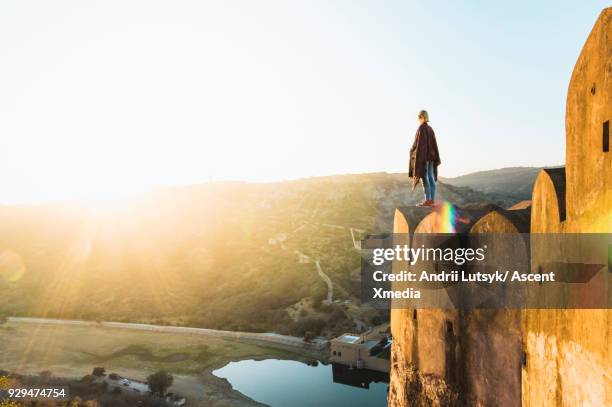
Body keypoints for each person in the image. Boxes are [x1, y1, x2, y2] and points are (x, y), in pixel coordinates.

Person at [409, 110, 441, 207]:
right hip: (431, 157)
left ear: (422, 117)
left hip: (424, 157)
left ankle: (428, 200)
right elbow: (434, 145)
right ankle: (431, 200)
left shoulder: (422, 128)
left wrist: (414, 152)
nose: (418, 119)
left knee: (424, 176)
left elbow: (420, 145)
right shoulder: (430, 129)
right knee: (430, 176)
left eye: (419, 117)